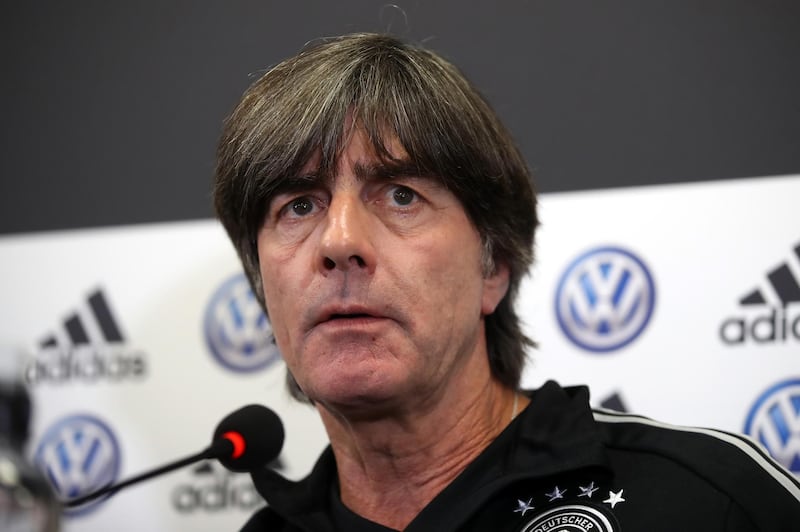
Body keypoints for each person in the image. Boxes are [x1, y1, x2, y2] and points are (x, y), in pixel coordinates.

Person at [213, 33, 800, 532]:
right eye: (297, 206)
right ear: (263, 284)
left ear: (493, 266)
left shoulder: (708, 501)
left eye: (401, 196)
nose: (339, 242)